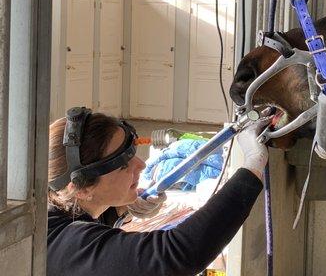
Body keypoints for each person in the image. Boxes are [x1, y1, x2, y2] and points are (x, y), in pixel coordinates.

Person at [47, 107, 270, 276]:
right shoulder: (64, 245)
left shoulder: (52, 209)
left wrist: (119, 209)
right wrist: (252, 166)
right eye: (124, 164)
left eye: (132, 152)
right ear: (82, 188)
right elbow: (177, 254)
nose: (141, 165)